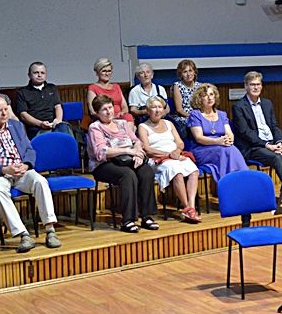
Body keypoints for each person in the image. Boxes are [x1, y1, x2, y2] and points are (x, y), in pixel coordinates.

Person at [0, 96, 61, 253]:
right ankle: (23, 235)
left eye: (6, 109)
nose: (4, 113)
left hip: (21, 170)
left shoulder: (16, 125)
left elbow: (29, 150)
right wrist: (3, 169)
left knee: (40, 181)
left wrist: (27, 164)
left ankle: (50, 230)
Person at [87, 95, 158, 233]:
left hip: (128, 160)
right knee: (128, 175)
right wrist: (127, 151)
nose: (109, 111)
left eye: (110, 107)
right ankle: (128, 220)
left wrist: (137, 153)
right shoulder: (95, 127)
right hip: (103, 164)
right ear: (97, 113)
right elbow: (101, 152)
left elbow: (136, 141)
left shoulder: (122, 124)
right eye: (104, 109)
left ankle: (146, 216)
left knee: (146, 171)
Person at [139, 96, 201, 223]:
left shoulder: (169, 123)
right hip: (157, 159)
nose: (157, 110)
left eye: (160, 107)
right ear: (148, 110)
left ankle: (192, 206)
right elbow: (147, 149)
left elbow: (180, 143)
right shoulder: (143, 126)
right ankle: (186, 208)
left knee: (193, 170)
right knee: (176, 171)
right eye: (154, 107)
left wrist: (177, 151)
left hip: (175, 156)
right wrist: (168, 154)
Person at [232, 71, 282, 183]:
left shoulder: (267, 103)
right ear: (246, 86)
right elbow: (245, 132)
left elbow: (274, 126)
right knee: (276, 157)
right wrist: (267, 145)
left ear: (261, 86)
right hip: (253, 147)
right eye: (252, 84)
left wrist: (279, 142)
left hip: (272, 144)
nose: (256, 87)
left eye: (258, 84)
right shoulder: (238, 106)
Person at [188, 84, 247, 181]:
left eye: (211, 94)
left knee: (231, 148)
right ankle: (231, 182)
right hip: (202, 149)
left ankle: (241, 179)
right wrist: (218, 141)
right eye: (205, 95)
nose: (209, 98)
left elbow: (229, 133)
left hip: (222, 146)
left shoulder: (222, 114)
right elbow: (199, 138)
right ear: (199, 99)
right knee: (227, 150)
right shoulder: (195, 115)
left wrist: (229, 140)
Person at [15, 62, 74, 140]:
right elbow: (23, 115)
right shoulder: (22, 92)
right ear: (29, 75)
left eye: (42, 73)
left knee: (66, 136)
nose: (39, 75)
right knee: (48, 141)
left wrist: (58, 120)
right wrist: (40, 124)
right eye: (36, 72)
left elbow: (58, 106)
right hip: (36, 127)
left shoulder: (52, 88)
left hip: (55, 124)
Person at [86, 58, 134, 125]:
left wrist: (121, 113)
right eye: (104, 71)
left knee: (128, 117)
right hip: (104, 119)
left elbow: (124, 107)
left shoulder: (116, 86)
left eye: (109, 71)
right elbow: (93, 111)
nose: (107, 73)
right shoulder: (93, 88)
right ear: (97, 72)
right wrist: (110, 117)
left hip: (119, 117)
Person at [169, 59, 201, 138]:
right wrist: (193, 117)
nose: (188, 74)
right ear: (181, 74)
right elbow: (179, 110)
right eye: (185, 72)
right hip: (184, 116)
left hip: (199, 115)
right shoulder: (177, 85)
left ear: (194, 72)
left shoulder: (200, 86)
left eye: (190, 71)